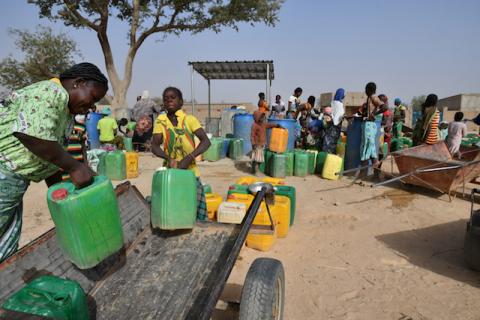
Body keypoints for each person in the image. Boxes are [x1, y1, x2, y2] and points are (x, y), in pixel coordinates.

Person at [0, 62, 108, 262]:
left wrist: (61, 190)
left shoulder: (67, 116)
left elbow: (49, 156)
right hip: (3, 171)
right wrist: (75, 167)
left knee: (5, 244)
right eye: (93, 97)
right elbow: (32, 135)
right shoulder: (52, 92)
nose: (93, 106)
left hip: (15, 182)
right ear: (78, 82)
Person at [151, 87, 211, 220]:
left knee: (196, 209)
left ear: (181, 102)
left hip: (190, 172)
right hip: (170, 172)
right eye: (166, 99)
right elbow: (154, 145)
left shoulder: (189, 120)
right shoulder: (161, 121)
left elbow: (206, 142)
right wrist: (168, 158)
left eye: (173, 98)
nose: (169, 101)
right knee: (174, 207)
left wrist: (189, 158)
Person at [358, 82, 387, 175]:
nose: (365, 91)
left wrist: (374, 114)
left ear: (369, 90)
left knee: (369, 144)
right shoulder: (370, 98)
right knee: (366, 145)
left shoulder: (373, 97)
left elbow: (385, 107)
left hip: (370, 125)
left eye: (366, 89)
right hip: (369, 124)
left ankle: (375, 161)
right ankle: (364, 170)